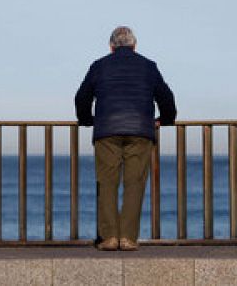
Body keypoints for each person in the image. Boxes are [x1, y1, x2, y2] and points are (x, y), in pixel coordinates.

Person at [75, 26, 176, 251]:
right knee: (134, 184)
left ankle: (109, 238)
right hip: (140, 131)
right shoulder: (149, 66)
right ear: (134, 46)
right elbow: (166, 97)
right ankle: (128, 239)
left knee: (107, 183)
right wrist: (165, 120)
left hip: (107, 131)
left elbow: (82, 97)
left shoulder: (99, 66)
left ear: (111, 47)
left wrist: (87, 120)